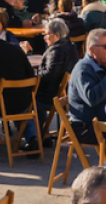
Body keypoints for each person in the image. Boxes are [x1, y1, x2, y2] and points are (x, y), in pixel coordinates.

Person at [25, 18, 78, 148]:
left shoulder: (57, 51)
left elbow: (49, 76)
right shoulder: (70, 47)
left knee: (23, 101)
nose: (44, 38)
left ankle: (33, 138)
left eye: (46, 34)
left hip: (51, 96)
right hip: (62, 94)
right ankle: (42, 134)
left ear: (57, 35)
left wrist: (32, 77)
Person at [67, 29, 106, 145]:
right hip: (86, 126)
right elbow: (92, 98)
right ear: (92, 50)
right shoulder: (83, 69)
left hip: (104, 120)